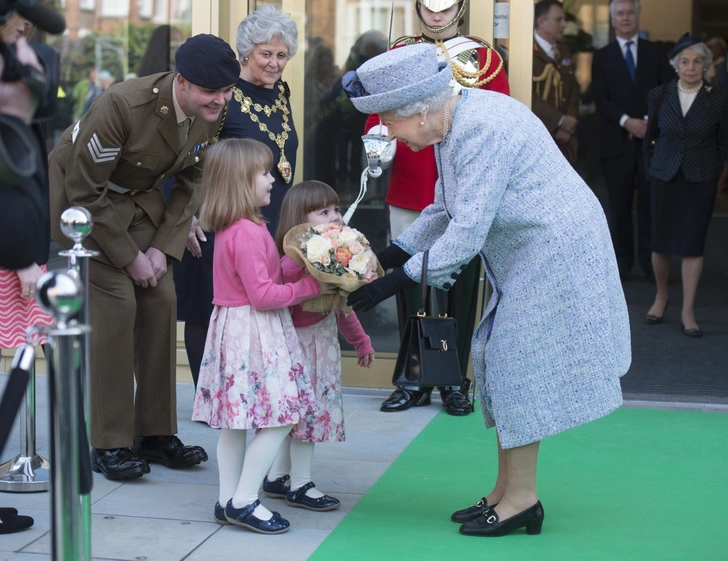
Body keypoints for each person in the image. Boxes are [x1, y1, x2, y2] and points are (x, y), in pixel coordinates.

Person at [343, 43, 630, 537]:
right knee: (500, 358)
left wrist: (396, 281)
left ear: (422, 108)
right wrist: (386, 257)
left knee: (516, 363)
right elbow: (442, 211)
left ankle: (522, 500)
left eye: (390, 121)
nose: (388, 134)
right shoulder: (451, 124)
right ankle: (507, 491)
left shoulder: (481, 128)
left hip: (555, 250)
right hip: (530, 250)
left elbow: (467, 232)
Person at [47, 34, 240, 481]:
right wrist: (129, 257)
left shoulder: (212, 110)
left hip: (139, 202)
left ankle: (153, 433)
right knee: (117, 306)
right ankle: (110, 442)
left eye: (227, 90)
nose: (222, 99)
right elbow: (84, 190)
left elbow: (194, 181)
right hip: (85, 207)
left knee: (160, 300)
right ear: (184, 83)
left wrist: (160, 249)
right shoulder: (123, 106)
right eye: (212, 91)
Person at [364, 0, 509, 415]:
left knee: (460, 287)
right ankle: (413, 377)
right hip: (411, 187)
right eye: (428, 6)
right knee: (412, 285)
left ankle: (454, 378)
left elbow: (498, 119)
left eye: (444, 7)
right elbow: (377, 115)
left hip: (466, 190)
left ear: (461, 8)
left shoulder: (483, 57)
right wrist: (378, 141)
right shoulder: (400, 52)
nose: (436, 15)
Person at [191, 139, 334, 534]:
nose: (273, 179)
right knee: (280, 418)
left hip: (231, 330)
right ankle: (244, 500)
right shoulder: (250, 233)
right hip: (254, 331)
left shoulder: (230, 228)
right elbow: (264, 295)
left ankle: (226, 500)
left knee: (234, 424)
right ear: (241, 180)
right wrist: (311, 287)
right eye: (265, 173)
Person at [176, 5, 300, 387]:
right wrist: (186, 218)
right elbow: (184, 160)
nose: (275, 63)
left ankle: (245, 392)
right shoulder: (222, 95)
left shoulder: (281, 91)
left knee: (256, 307)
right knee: (207, 310)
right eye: (266, 54)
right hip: (218, 223)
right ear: (246, 52)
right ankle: (208, 395)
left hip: (269, 217)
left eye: (281, 55)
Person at [261, 181, 375, 511]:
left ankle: (278, 476)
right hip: (298, 350)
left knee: (299, 419)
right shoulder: (292, 264)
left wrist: (361, 341)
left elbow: (341, 307)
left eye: (336, 209)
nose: (335, 217)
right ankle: (301, 484)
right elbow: (278, 305)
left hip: (322, 346)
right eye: (323, 212)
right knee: (303, 419)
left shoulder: (331, 261)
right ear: (299, 220)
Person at [643, 35, 728, 338]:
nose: (691, 67)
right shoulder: (659, 94)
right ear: (675, 65)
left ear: (706, 65)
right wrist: (652, 169)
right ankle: (661, 296)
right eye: (685, 61)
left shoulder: (718, 98)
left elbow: (722, 144)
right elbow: (650, 137)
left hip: (700, 177)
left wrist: (712, 173)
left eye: (697, 61)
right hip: (664, 174)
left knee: (692, 244)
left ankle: (687, 310)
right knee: (660, 242)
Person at [591, 0, 673, 282]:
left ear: (638, 17)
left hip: (653, 144)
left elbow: (668, 91)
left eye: (630, 13)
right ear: (613, 20)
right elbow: (600, 98)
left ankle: (652, 264)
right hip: (617, 143)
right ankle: (622, 264)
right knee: (619, 206)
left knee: (652, 205)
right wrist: (627, 121)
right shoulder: (602, 56)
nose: (625, 18)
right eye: (620, 14)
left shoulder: (656, 52)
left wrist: (647, 123)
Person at [532, 0, 580, 165]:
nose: (564, 25)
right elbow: (528, 96)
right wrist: (559, 121)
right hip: (539, 138)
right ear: (541, 22)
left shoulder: (563, 50)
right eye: (558, 20)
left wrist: (569, 121)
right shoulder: (527, 52)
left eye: (564, 20)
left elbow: (573, 88)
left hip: (565, 141)